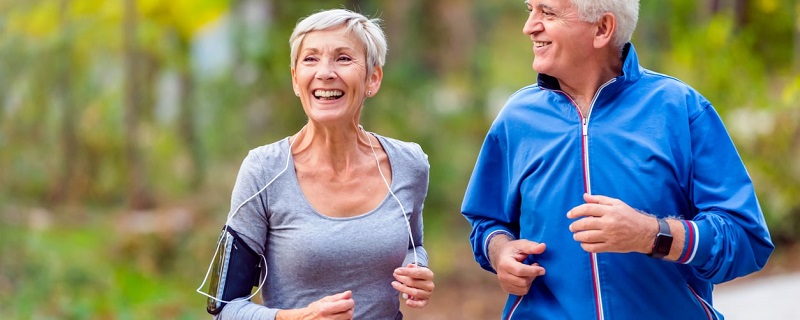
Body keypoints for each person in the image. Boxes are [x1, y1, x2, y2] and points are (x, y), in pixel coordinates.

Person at [461, 0, 774, 319]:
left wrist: (652, 234)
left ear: (602, 28)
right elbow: (487, 221)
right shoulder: (516, 119)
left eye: (548, 12)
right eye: (531, 10)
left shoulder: (680, 109)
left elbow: (745, 239)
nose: (529, 26)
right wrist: (499, 251)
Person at [199, 8, 434, 319]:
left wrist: (417, 268)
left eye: (343, 58)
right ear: (296, 79)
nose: (325, 72)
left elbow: (412, 244)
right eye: (310, 59)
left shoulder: (409, 163)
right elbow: (223, 308)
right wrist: (298, 318)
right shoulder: (264, 170)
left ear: (372, 79)